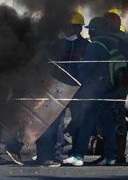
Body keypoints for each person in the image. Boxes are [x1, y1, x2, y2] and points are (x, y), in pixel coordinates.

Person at [5, 10, 89, 166]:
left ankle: (74, 154)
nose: (67, 30)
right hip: (58, 88)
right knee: (49, 121)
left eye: (71, 27)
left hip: (77, 90)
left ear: (79, 28)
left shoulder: (85, 46)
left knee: (78, 121)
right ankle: (47, 155)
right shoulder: (58, 44)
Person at [63, 17, 120, 166]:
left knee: (85, 121)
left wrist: (80, 70)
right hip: (109, 89)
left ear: (94, 31)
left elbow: (87, 68)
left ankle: (78, 155)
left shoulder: (94, 46)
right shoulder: (112, 44)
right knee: (107, 123)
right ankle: (110, 156)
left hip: (94, 89)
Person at [102, 10, 128, 165]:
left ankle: (113, 154)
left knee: (111, 119)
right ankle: (118, 154)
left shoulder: (110, 40)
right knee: (118, 118)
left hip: (112, 85)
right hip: (122, 84)